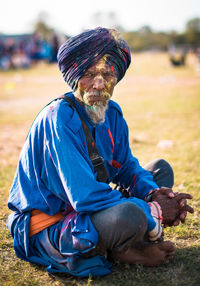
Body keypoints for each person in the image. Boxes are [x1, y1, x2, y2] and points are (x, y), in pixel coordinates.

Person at [7, 27, 194, 278]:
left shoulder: (112, 113)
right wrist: (153, 211)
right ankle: (123, 248)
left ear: (116, 76)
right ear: (73, 76)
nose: (99, 84)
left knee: (159, 169)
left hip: (92, 208)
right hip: (54, 222)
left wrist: (153, 193)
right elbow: (83, 196)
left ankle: (126, 239)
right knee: (130, 214)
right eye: (89, 73)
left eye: (107, 74)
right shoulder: (58, 117)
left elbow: (126, 167)